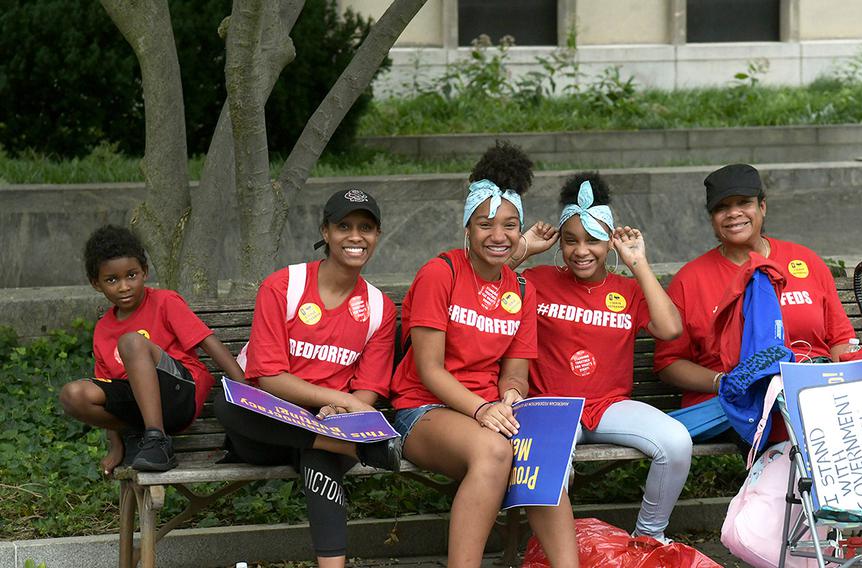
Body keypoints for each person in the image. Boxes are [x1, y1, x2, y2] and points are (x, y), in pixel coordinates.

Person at [391, 142, 575, 567]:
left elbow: (515, 374)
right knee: (494, 452)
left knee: (540, 459)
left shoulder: (521, 289)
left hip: (489, 414)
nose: (499, 236)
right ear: (467, 230)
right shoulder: (441, 273)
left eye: (510, 225)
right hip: (423, 411)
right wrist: (481, 410)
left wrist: (510, 395)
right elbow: (429, 369)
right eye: (485, 225)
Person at [214, 188, 400, 568]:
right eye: (343, 226)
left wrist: (343, 409)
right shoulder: (284, 286)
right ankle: (352, 446)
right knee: (228, 401)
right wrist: (342, 404)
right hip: (266, 430)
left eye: (366, 227)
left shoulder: (379, 308)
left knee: (321, 453)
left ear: (377, 236)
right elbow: (268, 378)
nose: (355, 236)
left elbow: (367, 391)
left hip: (330, 428)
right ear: (326, 232)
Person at [511, 172, 691, 545]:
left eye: (593, 240)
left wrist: (638, 263)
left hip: (609, 406)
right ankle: (549, 550)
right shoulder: (538, 279)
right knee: (550, 469)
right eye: (571, 240)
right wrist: (524, 250)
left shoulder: (626, 289)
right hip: (552, 406)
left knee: (676, 442)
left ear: (610, 242)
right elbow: (480, 280)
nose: (581, 251)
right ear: (559, 242)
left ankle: (648, 537)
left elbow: (671, 328)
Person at [654, 164, 855, 428]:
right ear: (712, 218)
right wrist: (722, 382)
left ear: (762, 207)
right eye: (722, 207)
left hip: (813, 393)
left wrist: (839, 380)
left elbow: (839, 338)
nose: (733, 213)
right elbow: (668, 362)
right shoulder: (691, 280)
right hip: (733, 405)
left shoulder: (805, 261)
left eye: (743, 203)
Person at [59, 224, 245, 475]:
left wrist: (245, 387)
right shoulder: (103, 328)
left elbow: (207, 340)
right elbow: (108, 387)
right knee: (73, 394)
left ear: (145, 272)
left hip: (179, 395)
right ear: (96, 283)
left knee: (131, 342)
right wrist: (115, 446)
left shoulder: (164, 301)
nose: (124, 286)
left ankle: (157, 440)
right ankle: (144, 435)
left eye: (131, 275)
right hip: (140, 406)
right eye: (112, 280)